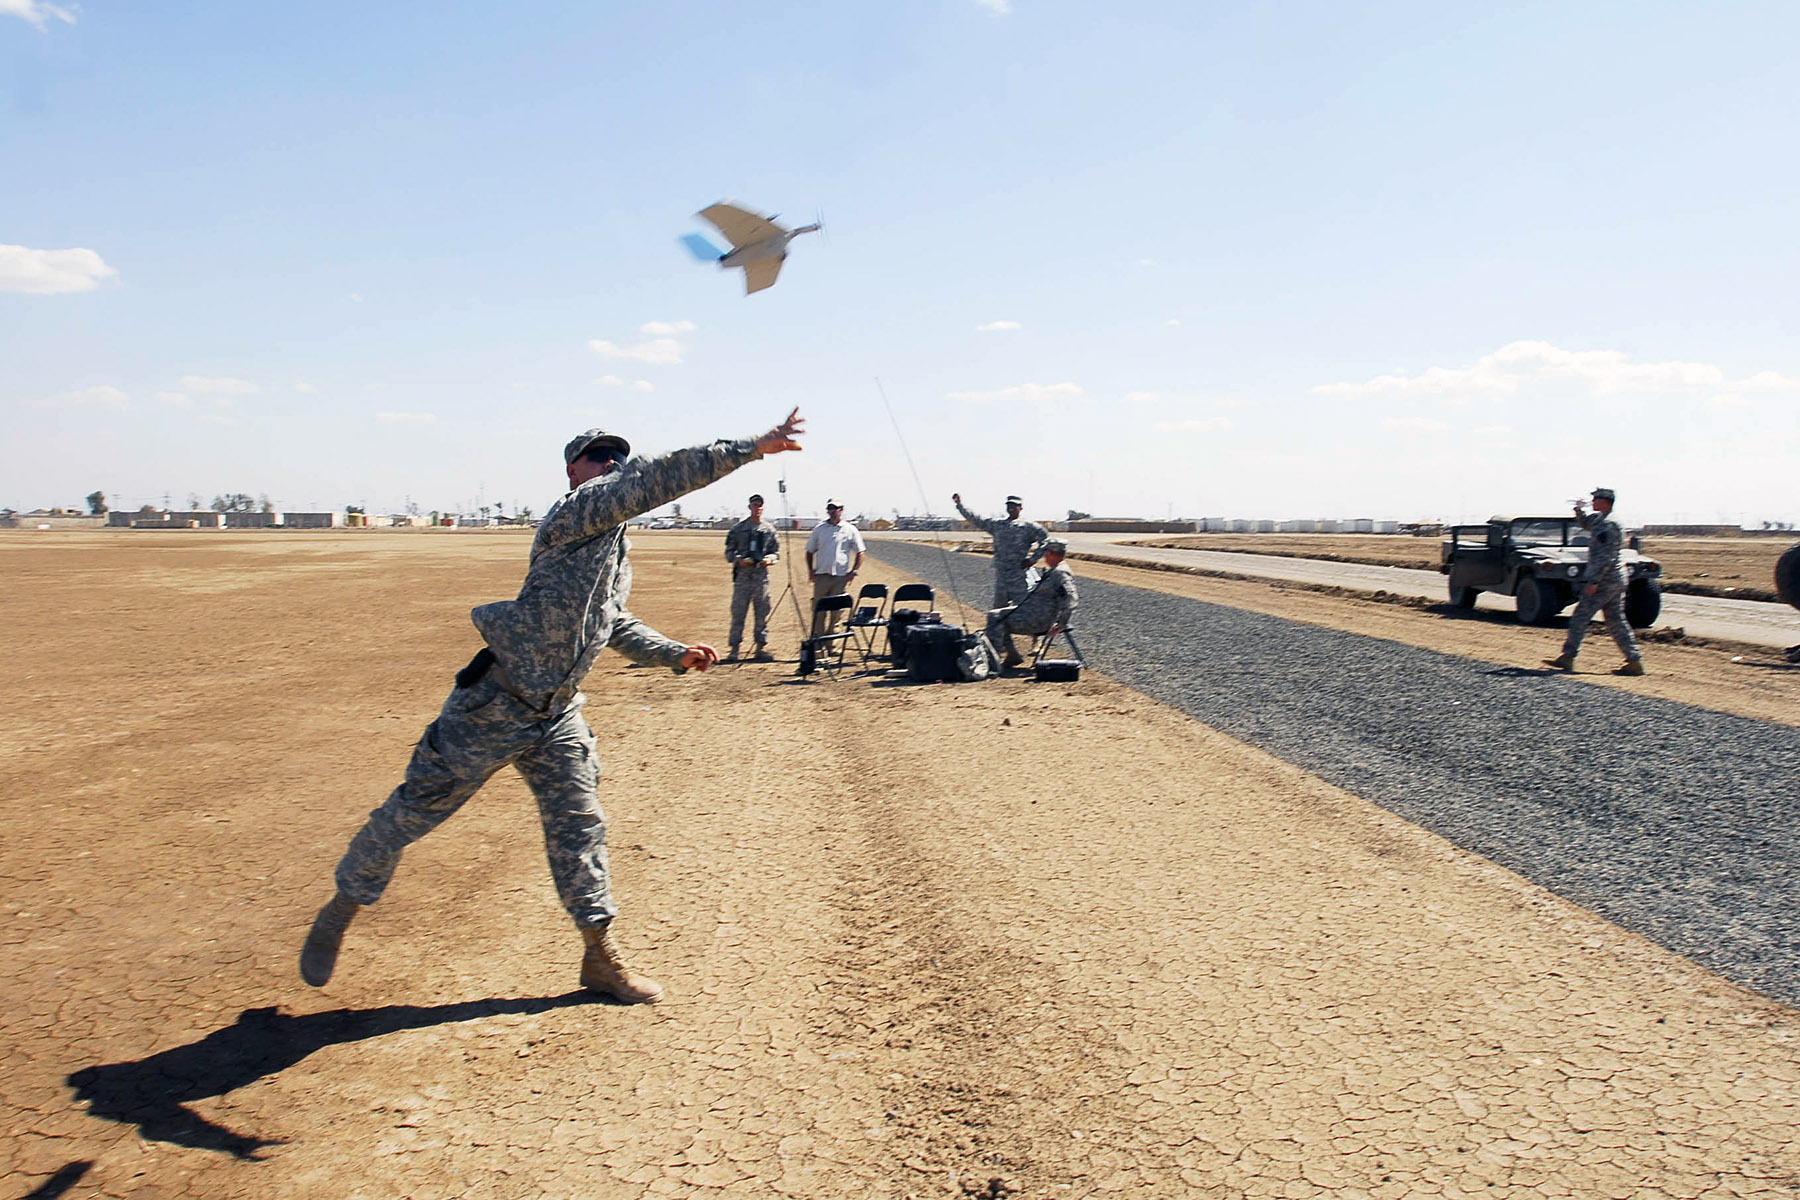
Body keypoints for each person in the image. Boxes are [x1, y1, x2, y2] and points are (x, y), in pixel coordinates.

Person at [298, 409, 806, 1004]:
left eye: (617, 454)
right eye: (600, 455)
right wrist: (751, 447)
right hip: (497, 701)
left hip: (556, 713)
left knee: (580, 826)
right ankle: (345, 902)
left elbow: (610, 622)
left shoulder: (614, 548)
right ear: (574, 471)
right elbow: (655, 478)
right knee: (414, 809)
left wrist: (673, 655)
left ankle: (599, 956)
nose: (612, 462)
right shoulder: (578, 514)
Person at [1543, 486, 1645, 676]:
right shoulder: (1602, 519)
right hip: (1615, 578)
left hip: (1605, 579)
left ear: (1605, 501)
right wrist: (1578, 510)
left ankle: (1568, 657)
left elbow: (1604, 557)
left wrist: (1594, 581)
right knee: (1616, 620)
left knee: (1580, 616)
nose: (1593, 502)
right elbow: (1586, 524)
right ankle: (1634, 660)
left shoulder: (1608, 524)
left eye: (1595, 499)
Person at [985, 538, 1079, 668]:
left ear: (1051, 553)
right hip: (1032, 613)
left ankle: (993, 662)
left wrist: (1061, 624)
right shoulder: (1055, 569)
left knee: (995, 618)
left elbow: (1071, 598)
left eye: (1046, 551)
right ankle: (1011, 656)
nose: (1044, 554)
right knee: (998, 615)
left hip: (1039, 619)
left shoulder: (1060, 572)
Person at [953, 492, 1050, 607]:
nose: (1011, 508)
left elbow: (1046, 541)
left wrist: (1032, 560)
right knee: (999, 612)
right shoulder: (998, 525)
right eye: (1009, 505)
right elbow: (976, 520)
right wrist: (960, 505)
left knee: (1023, 609)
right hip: (1001, 577)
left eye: (1014, 505)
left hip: (1018, 575)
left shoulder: (1028, 527)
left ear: (1021, 508)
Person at [723, 492, 779, 662]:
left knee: (762, 613)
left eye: (760, 505)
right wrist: (738, 560)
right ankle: (734, 649)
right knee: (738, 613)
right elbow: (728, 552)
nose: (757, 508)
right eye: (754, 505)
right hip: (743, 578)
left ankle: (760, 648)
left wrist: (769, 559)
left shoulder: (769, 530)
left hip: (761, 577)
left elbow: (776, 552)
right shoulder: (738, 529)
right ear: (749, 507)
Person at [804, 499, 864, 636]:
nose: (833, 511)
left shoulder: (850, 529)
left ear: (841, 510)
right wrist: (810, 570)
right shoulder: (819, 529)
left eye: (836, 508)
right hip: (821, 576)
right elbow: (809, 551)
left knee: (837, 612)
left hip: (840, 577)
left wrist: (854, 571)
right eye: (830, 508)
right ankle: (818, 643)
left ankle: (833, 644)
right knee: (819, 611)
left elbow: (860, 552)